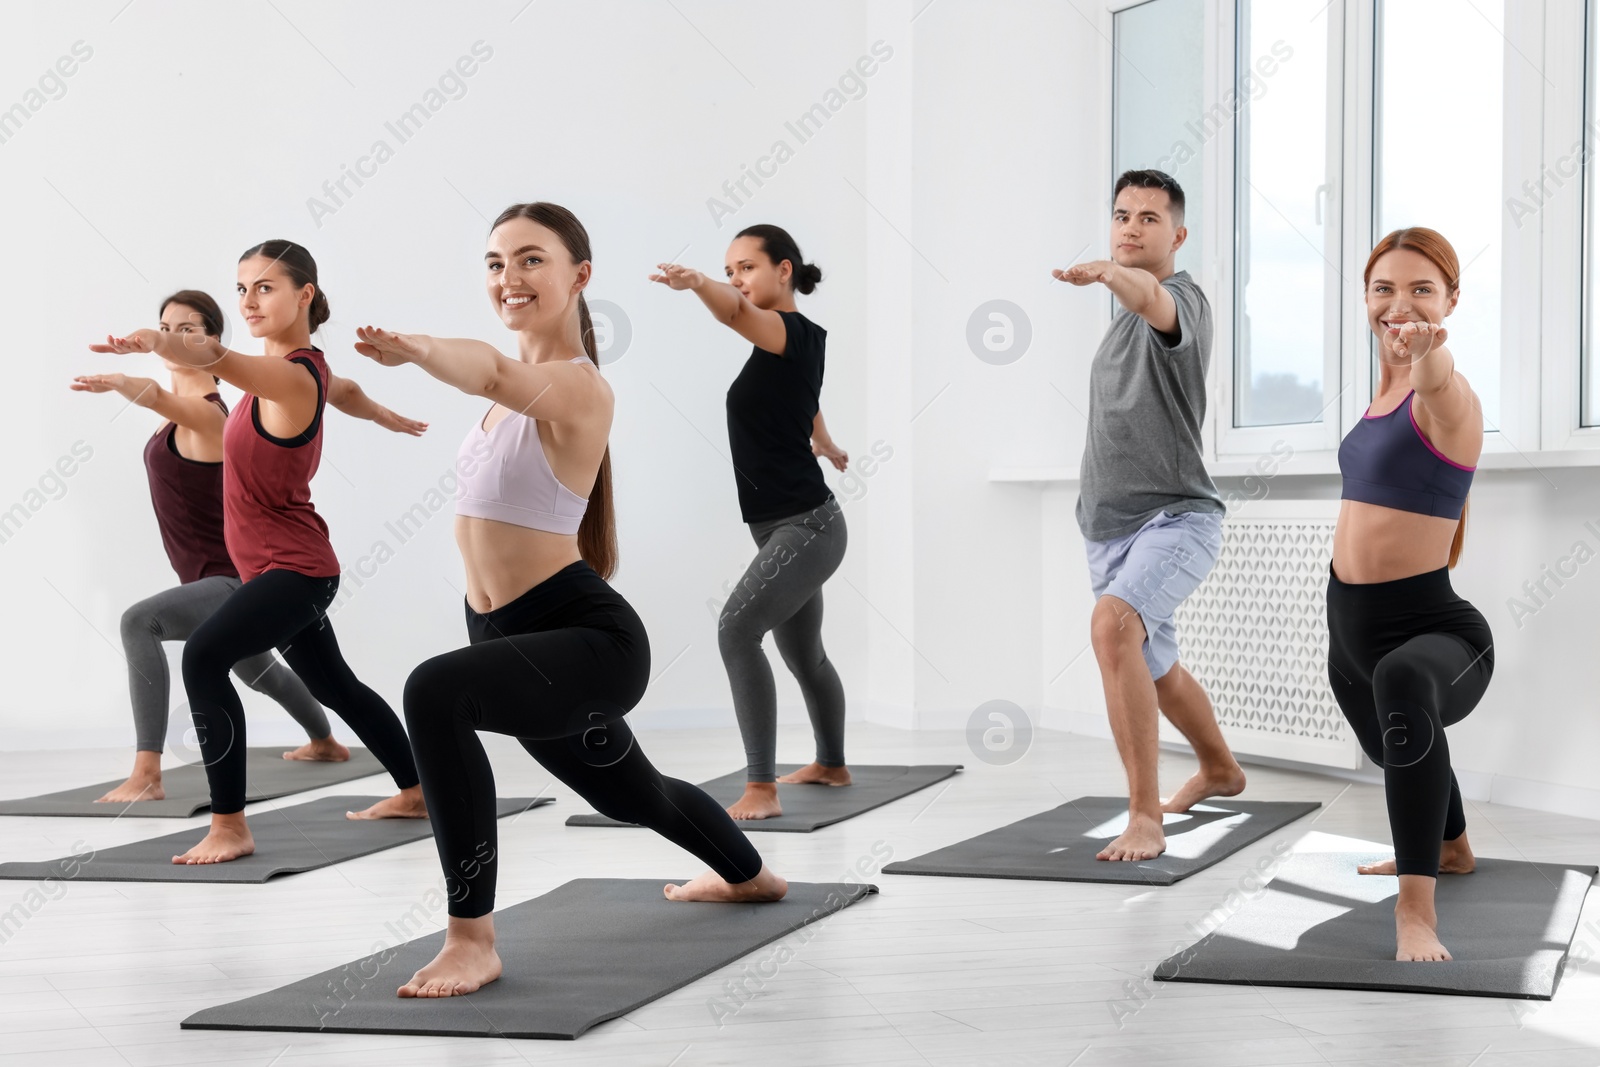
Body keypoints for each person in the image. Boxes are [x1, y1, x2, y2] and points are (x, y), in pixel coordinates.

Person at [352, 201, 787, 999]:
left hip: (586, 639)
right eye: (494, 263)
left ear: (579, 275)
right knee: (633, 794)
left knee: (431, 691)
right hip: (505, 633)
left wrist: (415, 349)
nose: (508, 278)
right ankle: (750, 874)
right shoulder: (503, 402)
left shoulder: (582, 389)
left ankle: (471, 939)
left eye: (529, 260)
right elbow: (493, 378)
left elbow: (488, 367)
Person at [90, 240, 427, 864]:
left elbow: (215, 354)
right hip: (287, 569)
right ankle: (416, 790)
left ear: (305, 294)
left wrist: (157, 341)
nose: (248, 300)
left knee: (203, 657)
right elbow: (346, 391)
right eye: (242, 287)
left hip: (290, 570)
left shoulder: (288, 373)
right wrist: (385, 416)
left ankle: (229, 825)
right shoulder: (303, 373)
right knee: (338, 686)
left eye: (265, 287)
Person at [1056, 168, 1243, 862]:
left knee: (1113, 628)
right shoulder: (1117, 331)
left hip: (1177, 519)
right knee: (1156, 669)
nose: (1131, 226)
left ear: (1178, 234)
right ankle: (1220, 767)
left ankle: (1143, 815)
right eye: (1121, 215)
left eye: (1148, 218)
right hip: (1108, 530)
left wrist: (1110, 272)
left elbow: (1150, 297)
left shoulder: (1181, 303)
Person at [650, 224, 851, 821]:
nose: (737, 279)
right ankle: (832, 765)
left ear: (783, 270)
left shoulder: (785, 329)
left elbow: (734, 312)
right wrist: (828, 442)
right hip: (783, 527)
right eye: (729, 269)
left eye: (747, 267)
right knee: (804, 653)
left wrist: (699, 285)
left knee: (736, 630)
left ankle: (760, 787)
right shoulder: (789, 345)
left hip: (806, 528)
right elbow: (804, 397)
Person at [1329, 227, 1489, 962]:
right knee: (1397, 745)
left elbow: (1437, 374)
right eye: (1384, 289)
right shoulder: (1378, 397)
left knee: (1403, 686)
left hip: (1441, 634)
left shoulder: (1444, 393)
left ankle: (1415, 911)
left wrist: (1429, 348)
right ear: (1365, 298)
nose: (1399, 304)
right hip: (1351, 630)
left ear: (1450, 299)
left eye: (1421, 288)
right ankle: (1452, 847)